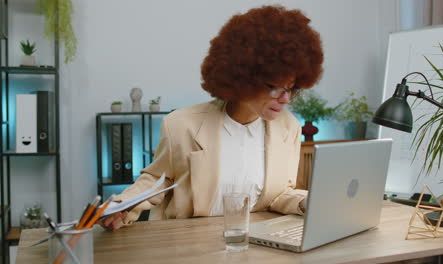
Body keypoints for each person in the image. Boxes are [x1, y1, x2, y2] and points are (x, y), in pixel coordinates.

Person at [101, 5, 323, 231]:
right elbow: (158, 179)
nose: (285, 99)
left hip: (256, 243)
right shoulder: (181, 125)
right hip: (188, 243)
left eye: (291, 89)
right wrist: (122, 206)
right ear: (244, 78)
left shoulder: (288, 128)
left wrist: (306, 202)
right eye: (275, 88)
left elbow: (279, 194)